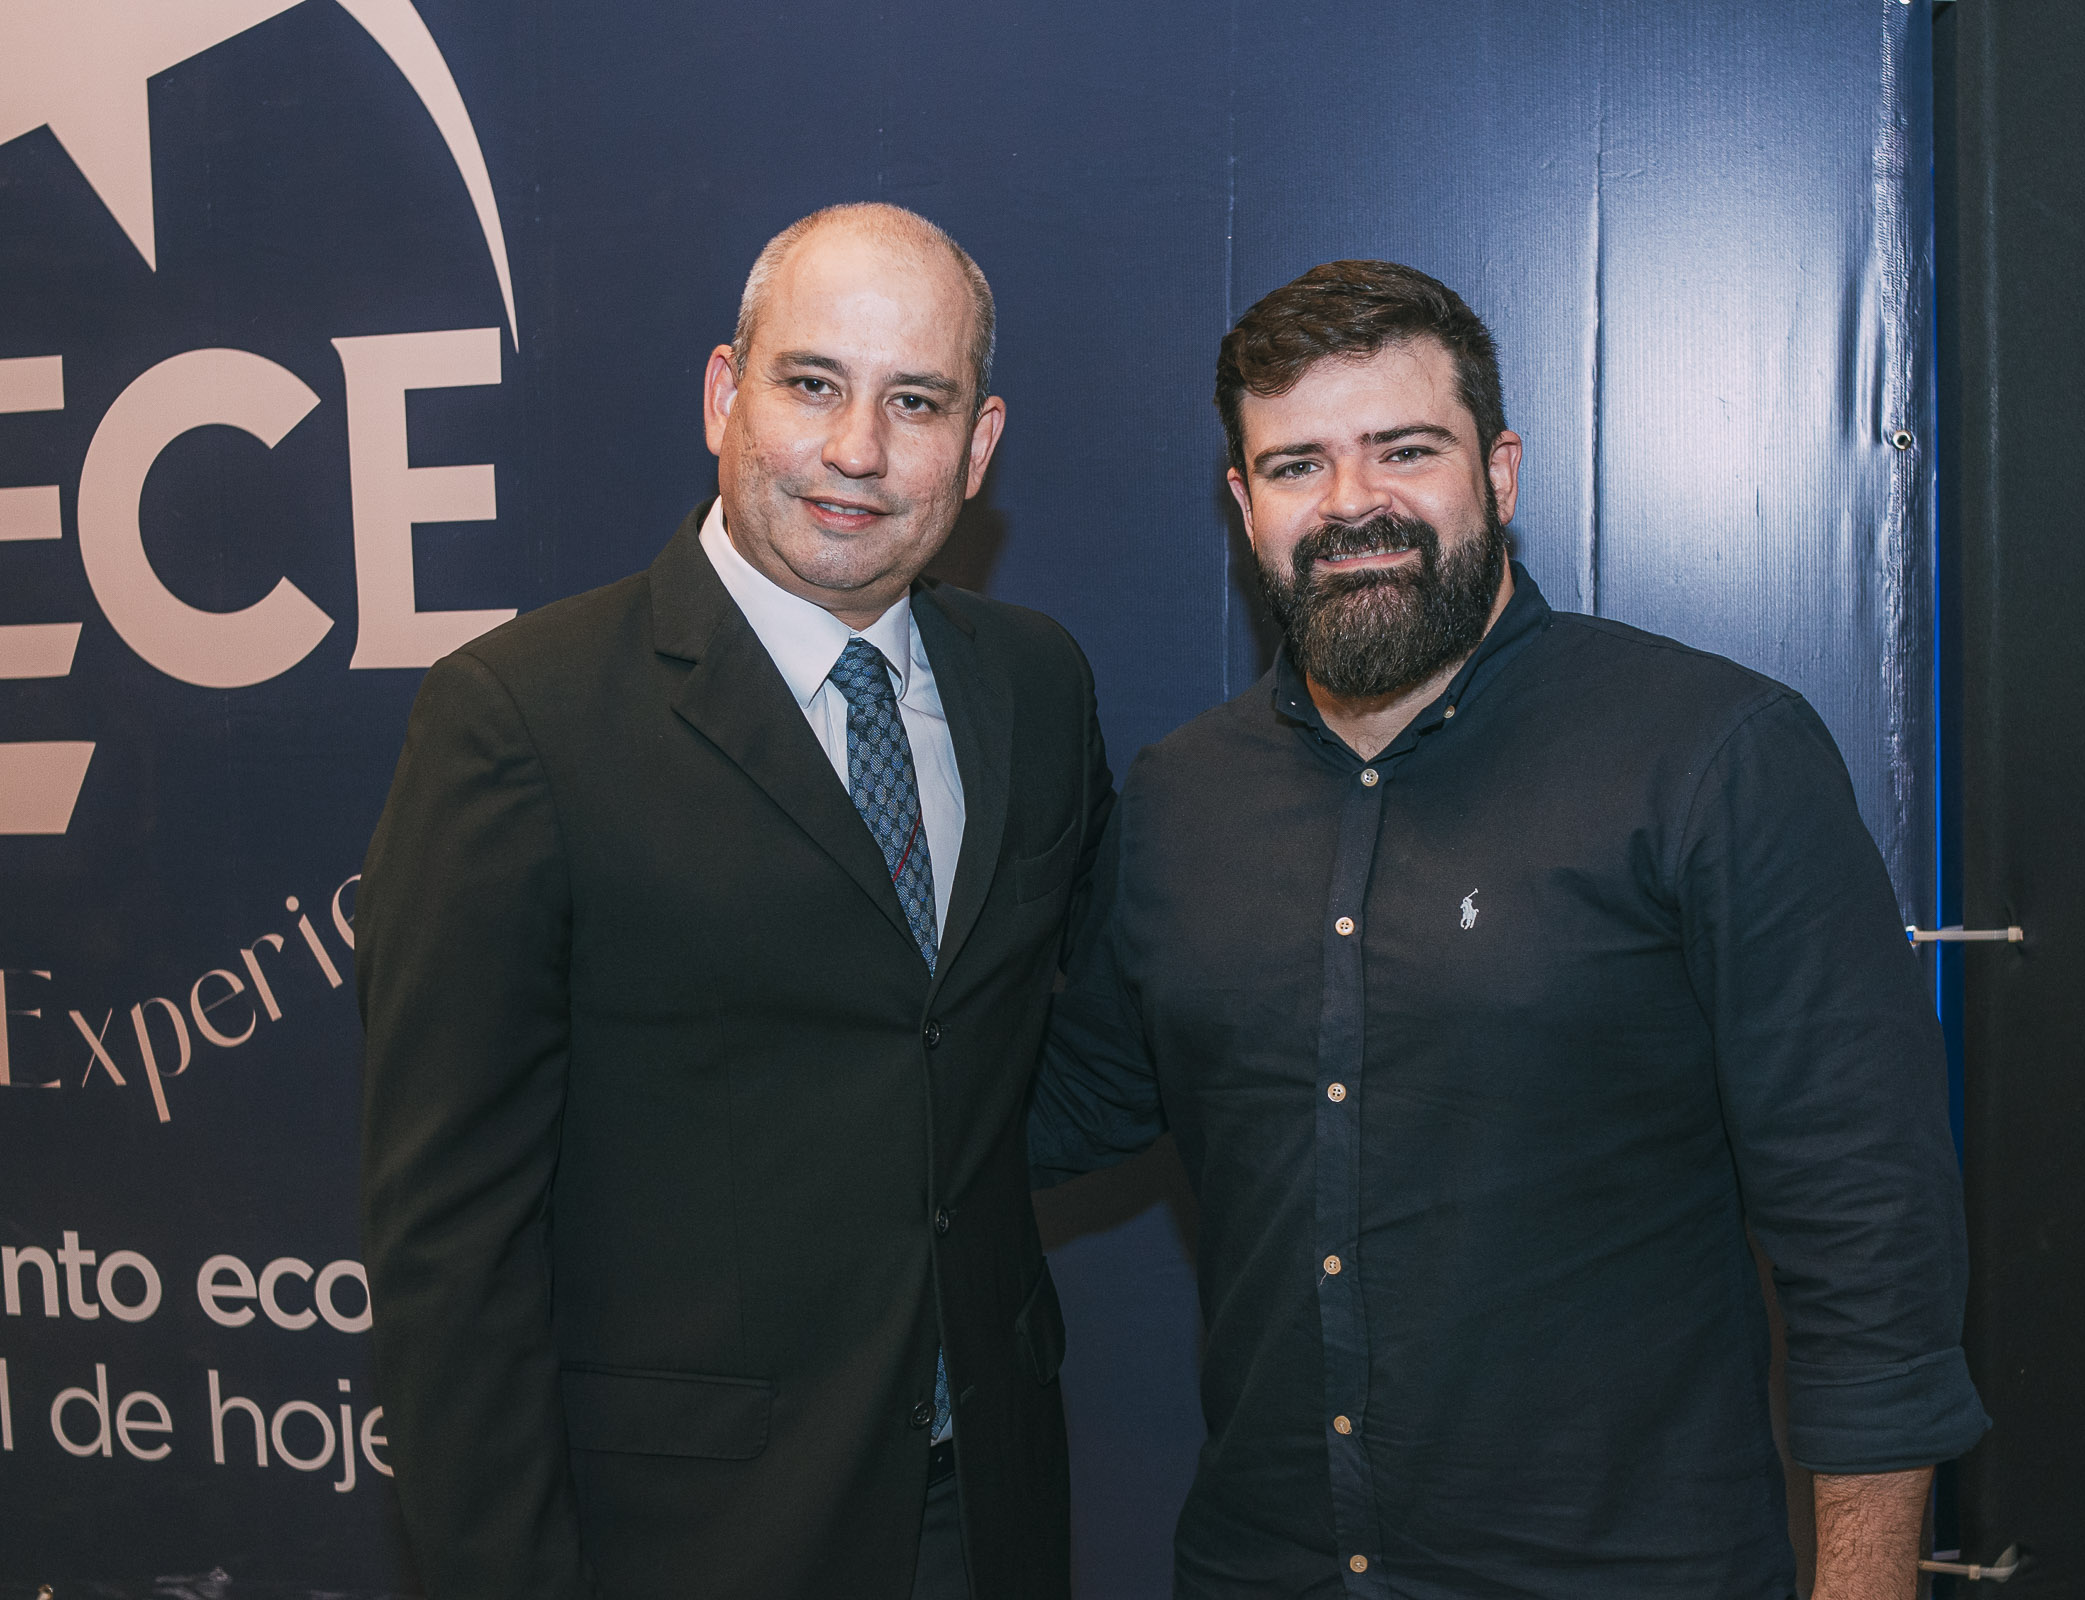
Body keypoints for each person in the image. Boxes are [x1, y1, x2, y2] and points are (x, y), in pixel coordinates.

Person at [1030, 259, 1987, 1600]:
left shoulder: (1712, 757)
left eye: (1405, 450)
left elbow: (1866, 1226)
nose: (1353, 502)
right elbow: (1055, 1107)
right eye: (1298, 465)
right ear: (1244, 508)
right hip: (1265, 1569)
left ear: (1501, 472)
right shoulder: (1181, 799)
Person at [357, 203, 1108, 1600]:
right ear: (724, 394)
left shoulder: (1036, 686)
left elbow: (1028, 1043)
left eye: (916, 402)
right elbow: (452, 1247)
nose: (857, 449)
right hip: (684, 1537)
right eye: (812, 383)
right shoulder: (519, 721)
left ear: (979, 444)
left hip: (987, 1504)